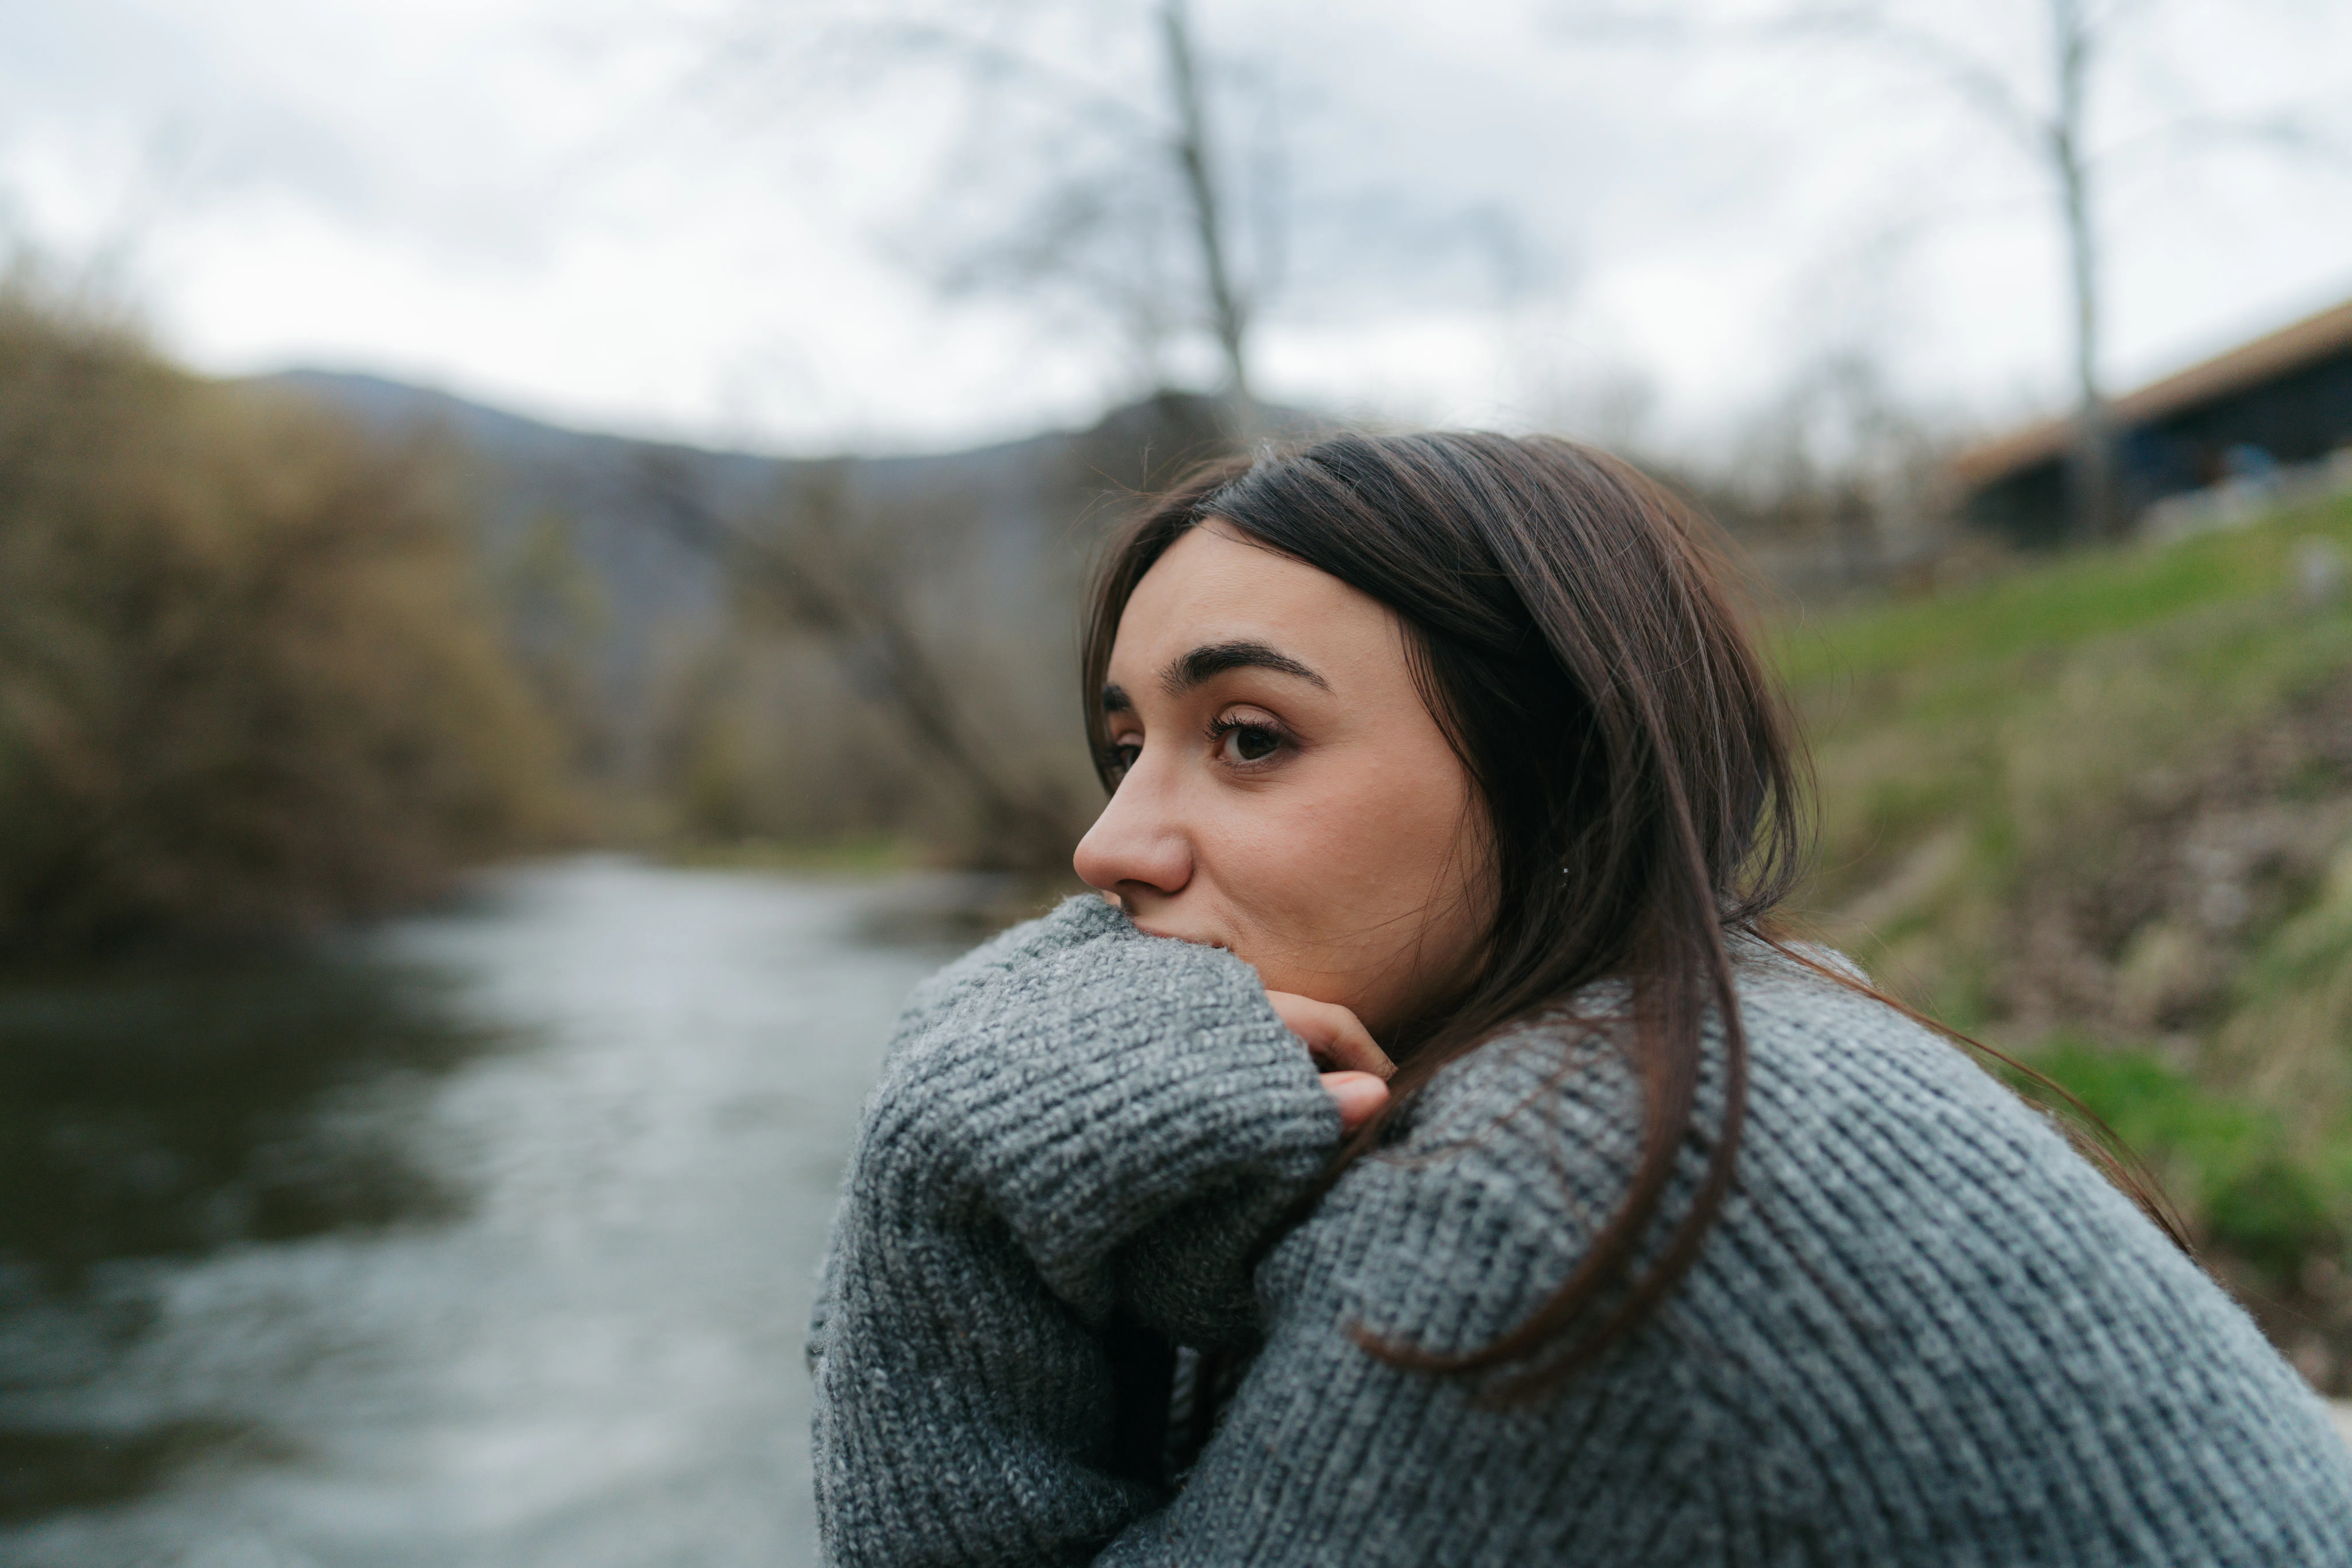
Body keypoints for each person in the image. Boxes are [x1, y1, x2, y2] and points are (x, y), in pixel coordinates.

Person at [808, 432, 2352, 1565]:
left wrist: (946, 1191)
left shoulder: (1560, 1181)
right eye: (1127, 746)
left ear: (1557, 772)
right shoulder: (1748, 1016)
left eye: (1253, 737)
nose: (1107, 846)